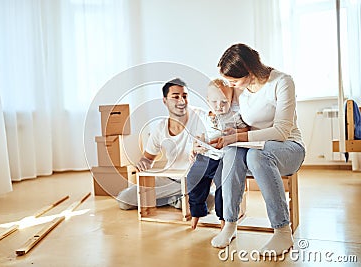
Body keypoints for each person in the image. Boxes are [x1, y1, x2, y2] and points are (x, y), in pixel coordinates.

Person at [209, 43, 305, 256]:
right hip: (252, 148)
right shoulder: (240, 89)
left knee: (256, 155)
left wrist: (237, 137)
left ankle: (282, 230)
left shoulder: (282, 82)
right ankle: (230, 224)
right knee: (233, 153)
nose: (230, 85)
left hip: (288, 148)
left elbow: (281, 131)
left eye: (233, 80)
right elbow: (235, 123)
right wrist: (218, 137)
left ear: (249, 71)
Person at [117, 78, 214, 210]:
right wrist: (143, 163)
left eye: (185, 96)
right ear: (165, 100)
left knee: (208, 202)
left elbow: (216, 124)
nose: (181, 101)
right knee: (124, 200)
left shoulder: (201, 116)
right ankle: (175, 200)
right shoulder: (160, 127)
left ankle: (179, 200)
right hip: (169, 181)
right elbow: (147, 158)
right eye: (175, 97)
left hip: (195, 181)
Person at [187, 79, 248, 230]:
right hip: (206, 156)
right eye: (214, 102)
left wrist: (235, 132)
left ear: (231, 100)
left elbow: (246, 131)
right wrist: (193, 148)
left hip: (223, 158)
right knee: (193, 179)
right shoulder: (204, 117)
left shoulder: (234, 116)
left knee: (223, 186)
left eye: (224, 102)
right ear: (208, 100)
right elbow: (199, 136)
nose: (219, 106)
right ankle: (196, 213)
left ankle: (223, 218)